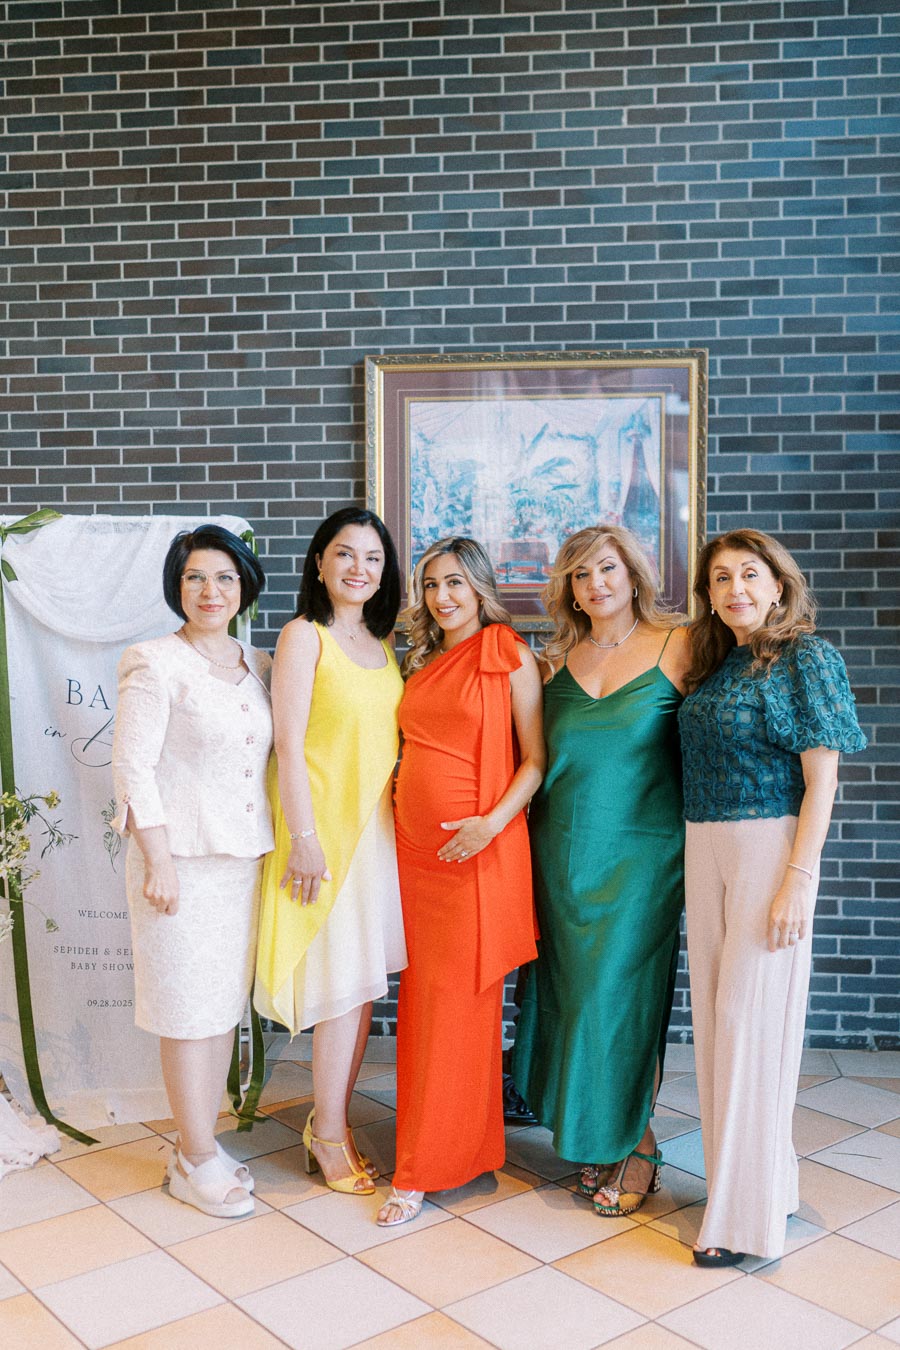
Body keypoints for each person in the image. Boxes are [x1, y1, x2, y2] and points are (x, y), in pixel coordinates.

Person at [678, 528, 866, 1266]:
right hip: (706, 844)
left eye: (750, 575)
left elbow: (824, 779)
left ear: (779, 585)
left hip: (767, 846)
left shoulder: (807, 658)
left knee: (748, 1026)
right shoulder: (719, 664)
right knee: (720, 1030)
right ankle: (762, 1187)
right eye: (721, 579)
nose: (735, 591)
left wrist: (800, 877)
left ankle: (739, 1222)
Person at [512, 524, 691, 1217]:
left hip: (643, 859)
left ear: (635, 573)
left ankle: (636, 1142)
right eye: (581, 576)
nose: (597, 585)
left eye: (608, 569)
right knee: (568, 999)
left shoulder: (682, 647)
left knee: (618, 1002)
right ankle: (601, 1136)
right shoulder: (553, 660)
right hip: (558, 856)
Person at [377, 537, 545, 1226]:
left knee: (455, 1007)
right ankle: (465, 1146)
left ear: (479, 587)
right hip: (413, 857)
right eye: (431, 585)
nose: (442, 597)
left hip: (474, 855)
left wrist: (489, 824)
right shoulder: (422, 660)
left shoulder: (507, 653)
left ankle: (419, 1169)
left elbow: (535, 761)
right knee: (430, 1006)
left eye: (454, 583)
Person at [112, 524, 271, 1219]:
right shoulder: (153, 660)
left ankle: (199, 1145)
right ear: (178, 588)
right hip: (176, 865)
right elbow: (131, 766)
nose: (211, 591)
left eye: (225, 578)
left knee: (219, 1008)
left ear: (244, 587)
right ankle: (195, 1156)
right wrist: (158, 860)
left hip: (241, 860)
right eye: (196, 578)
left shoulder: (255, 661)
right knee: (184, 1010)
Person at [254, 507, 406, 1196]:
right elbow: (287, 745)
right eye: (343, 554)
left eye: (371, 559)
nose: (357, 569)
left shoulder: (383, 642)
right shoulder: (303, 636)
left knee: (362, 987)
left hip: (374, 834)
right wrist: (306, 841)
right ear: (319, 563)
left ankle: (329, 1113)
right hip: (323, 835)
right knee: (340, 992)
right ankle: (328, 1136)